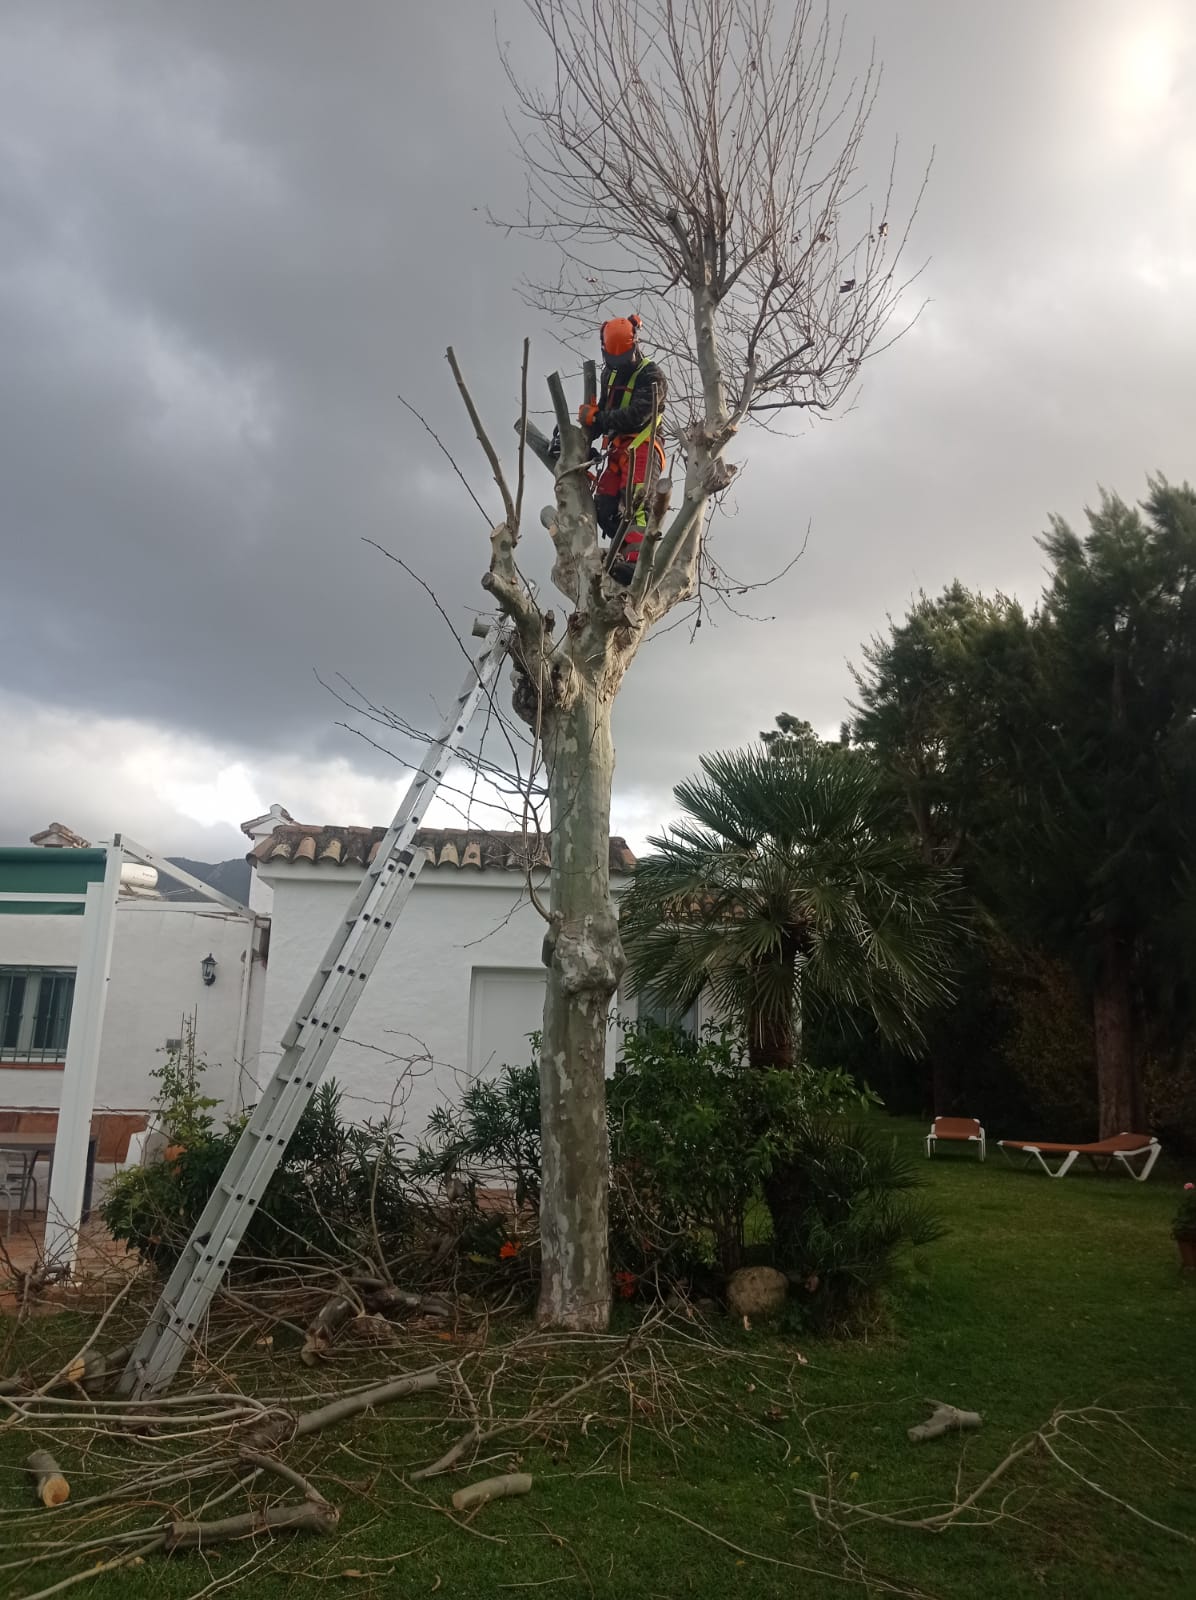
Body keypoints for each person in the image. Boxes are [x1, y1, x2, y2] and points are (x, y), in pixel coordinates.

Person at [577, 316, 667, 583]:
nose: (619, 364)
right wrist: (588, 427)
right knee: (603, 507)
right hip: (617, 448)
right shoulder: (610, 372)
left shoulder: (652, 376)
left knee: (637, 503)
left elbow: (636, 415)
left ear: (635, 344)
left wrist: (598, 419)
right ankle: (622, 553)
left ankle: (639, 563)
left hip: (643, 446)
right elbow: (606, 410)